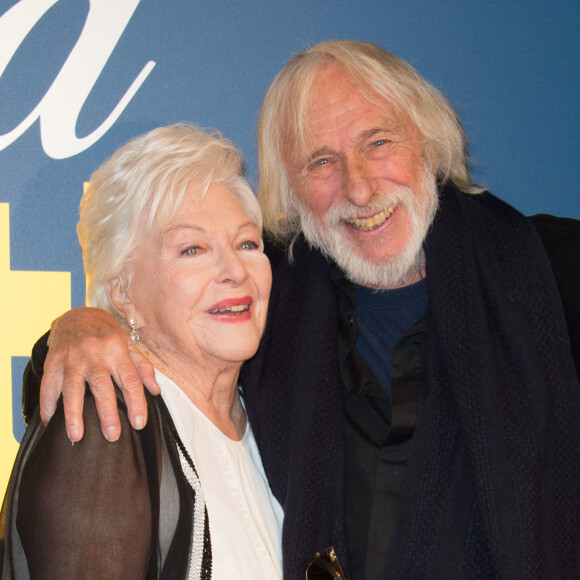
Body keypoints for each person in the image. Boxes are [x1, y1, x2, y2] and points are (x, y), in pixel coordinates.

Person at [12, 41, 580, 579]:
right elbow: (142, 340)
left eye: (378, 143)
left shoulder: (550, 274)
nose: (358, 188)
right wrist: (81, 328)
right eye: (321, 162)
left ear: (429, 143)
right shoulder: (275, 298)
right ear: (291, 189)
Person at [0, 124, 283, 579]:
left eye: (247, 243)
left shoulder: (276, 423)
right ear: (123, 292)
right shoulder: (104, 424)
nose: (235, 270)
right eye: (192, 249)